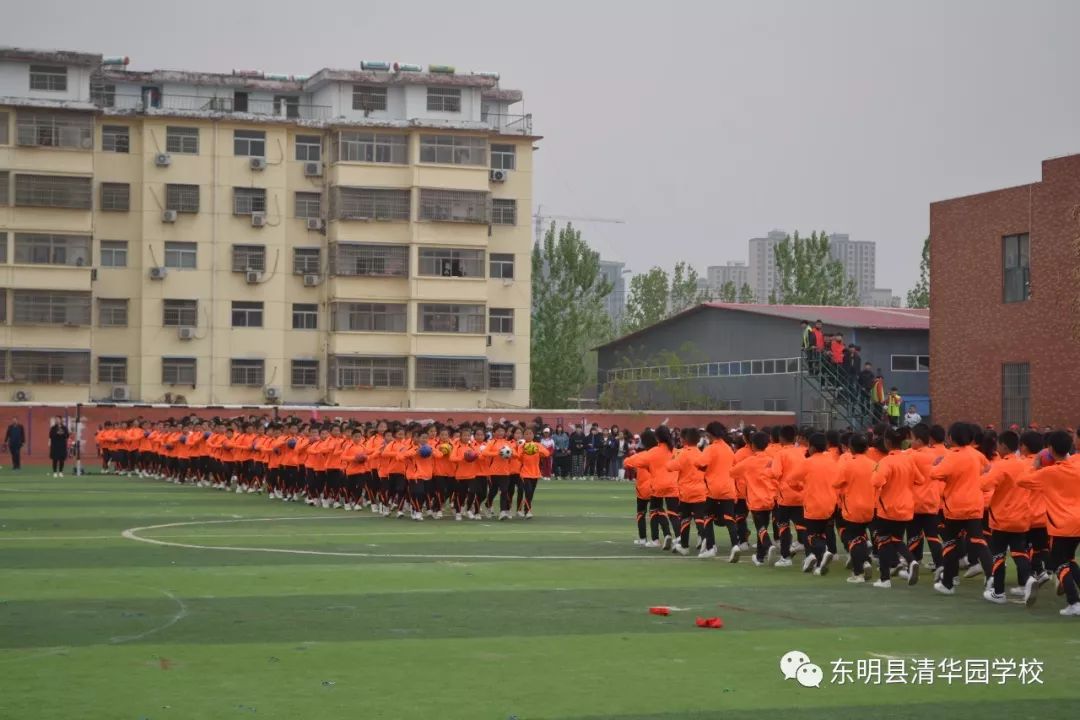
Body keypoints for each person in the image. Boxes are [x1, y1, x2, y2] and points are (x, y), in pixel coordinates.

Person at [1017, 430, 1080, 617]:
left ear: (1050, 449)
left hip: (1061, 525)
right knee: (1069, 560)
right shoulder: (1077, 468)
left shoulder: (1048, 473)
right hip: (1077, 522)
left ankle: (1074, 602)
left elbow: (1021, 481)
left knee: (1057, 563)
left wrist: (1035, 465)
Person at [980, 430, 1038, 606]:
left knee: (998, 555)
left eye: (999, 444)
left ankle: (998, 592)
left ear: (1004, 446)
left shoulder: (1001, 466)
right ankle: (1028, 579)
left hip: (1002, 518)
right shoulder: (1024, 464)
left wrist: (985, 472)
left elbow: (983, 485)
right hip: (1022, 517)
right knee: (1019, 552)